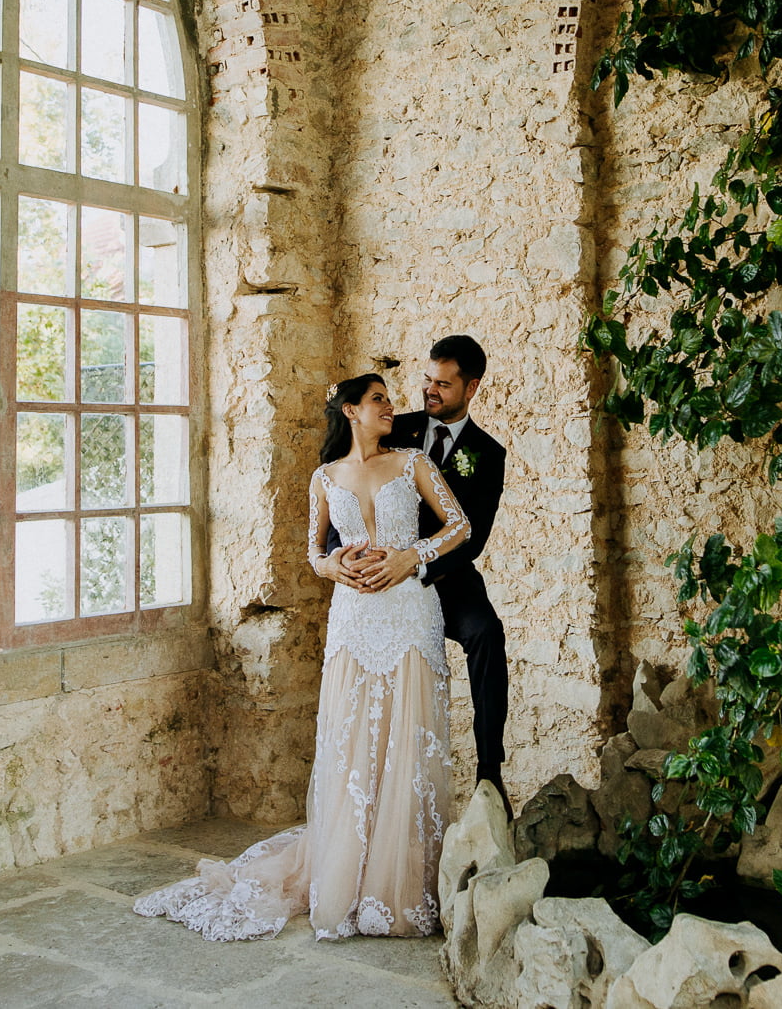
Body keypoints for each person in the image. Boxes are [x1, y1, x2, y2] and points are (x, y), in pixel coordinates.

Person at [134, 373, 471, 940]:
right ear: (351, 411)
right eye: (378, 399)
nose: (390, 407)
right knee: (352, 739)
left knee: (408, 738)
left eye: (389, 399)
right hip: (354, 618)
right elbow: (314, 552)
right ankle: (346, 872)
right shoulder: (324, 477)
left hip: (411, 613)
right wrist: (334, 565)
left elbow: (459, 525)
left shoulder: (413, 462)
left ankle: (400, 881)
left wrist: (410, 557)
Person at [378, 336, 511, 814]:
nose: (430, 390)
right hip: (385, 571)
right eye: (427, 379)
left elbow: (473, 538)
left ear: (471, 388)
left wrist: (419, 565)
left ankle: (489, 771)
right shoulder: (395, 430)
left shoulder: (488, 453)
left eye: (443, 384)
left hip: (448, 575)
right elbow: (344, 478)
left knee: (487, 633)